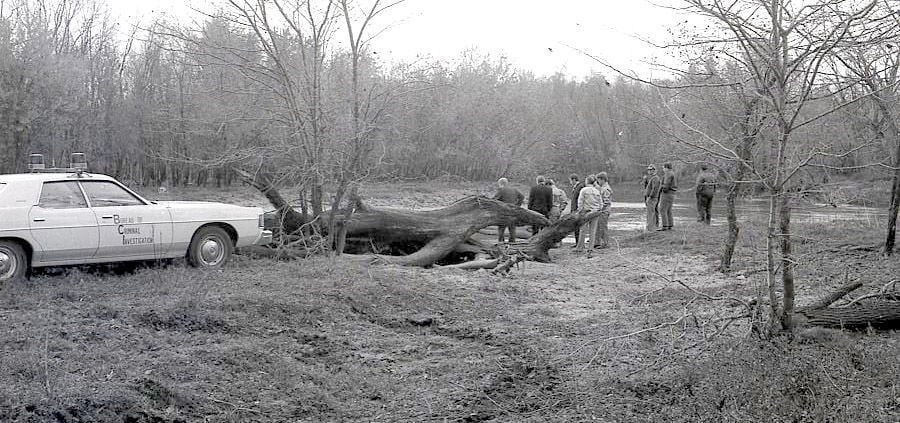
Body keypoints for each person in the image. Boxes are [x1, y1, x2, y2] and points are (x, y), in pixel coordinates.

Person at [492, 177, 524, 242]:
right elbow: (522, 196)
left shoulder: (501, 190)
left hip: (503, 212)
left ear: (500, 183)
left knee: (501, 228)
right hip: (513, 211)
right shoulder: (514, 189)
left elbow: (493, 200)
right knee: (512, 228)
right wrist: (517, 205)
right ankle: (512, 243)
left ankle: (501, 242)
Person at [575, 175, 601, 251]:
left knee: (583, 230)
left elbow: (580, 201)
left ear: (587, 181)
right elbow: (600, 202)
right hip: (595, 212)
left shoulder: (584, 190)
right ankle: (590, 248)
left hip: (586, 212)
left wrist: (580, 211)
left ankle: (580, 247)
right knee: (592, 231)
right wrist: (598, 210)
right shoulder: (597, 191)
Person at [593, 172, 613, 249]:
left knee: (603, 227)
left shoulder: (606, 189)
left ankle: (605, 243)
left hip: (604, 211)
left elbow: (606, 202)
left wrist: (599, 209)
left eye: (599, 180)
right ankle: (598, 242)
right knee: (599, 226)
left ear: (603, 179)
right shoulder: (603, 188)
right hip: (602, 210)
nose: (598, 182)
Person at [657, 162, 677, 231]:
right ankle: (670, 225)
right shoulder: (672, 173)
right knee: (668, 210)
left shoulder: (668, 174)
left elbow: (666, 186)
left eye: (663, 167)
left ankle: (664, 226)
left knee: (662, 209)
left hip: (667, 193)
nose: (663, 169)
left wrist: (661, 187)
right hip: (672, 194)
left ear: (666, 168)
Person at [569, 173, 585, 246]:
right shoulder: (576, 187)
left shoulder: (580, 186)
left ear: (574, 180)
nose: (570, 182)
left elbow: (580, 199)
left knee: (578, 227)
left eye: (570, 180)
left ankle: (579, 243)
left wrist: (578, 209)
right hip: (574, 209)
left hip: (577, 209)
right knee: (575, 227)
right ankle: (577, 242)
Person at [643, 165, 661, 231]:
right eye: (648, 169)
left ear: (654, 170)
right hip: (652, 198)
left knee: (650, 213)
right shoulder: (652, 178)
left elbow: (655, 189)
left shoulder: (655, 178)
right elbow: (647, 187)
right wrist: (645, 181)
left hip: (652, 198)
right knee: (652, 212)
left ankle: (650, 228)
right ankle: (654, 227)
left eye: (651, 169)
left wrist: (650, 197)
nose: (649, 171)